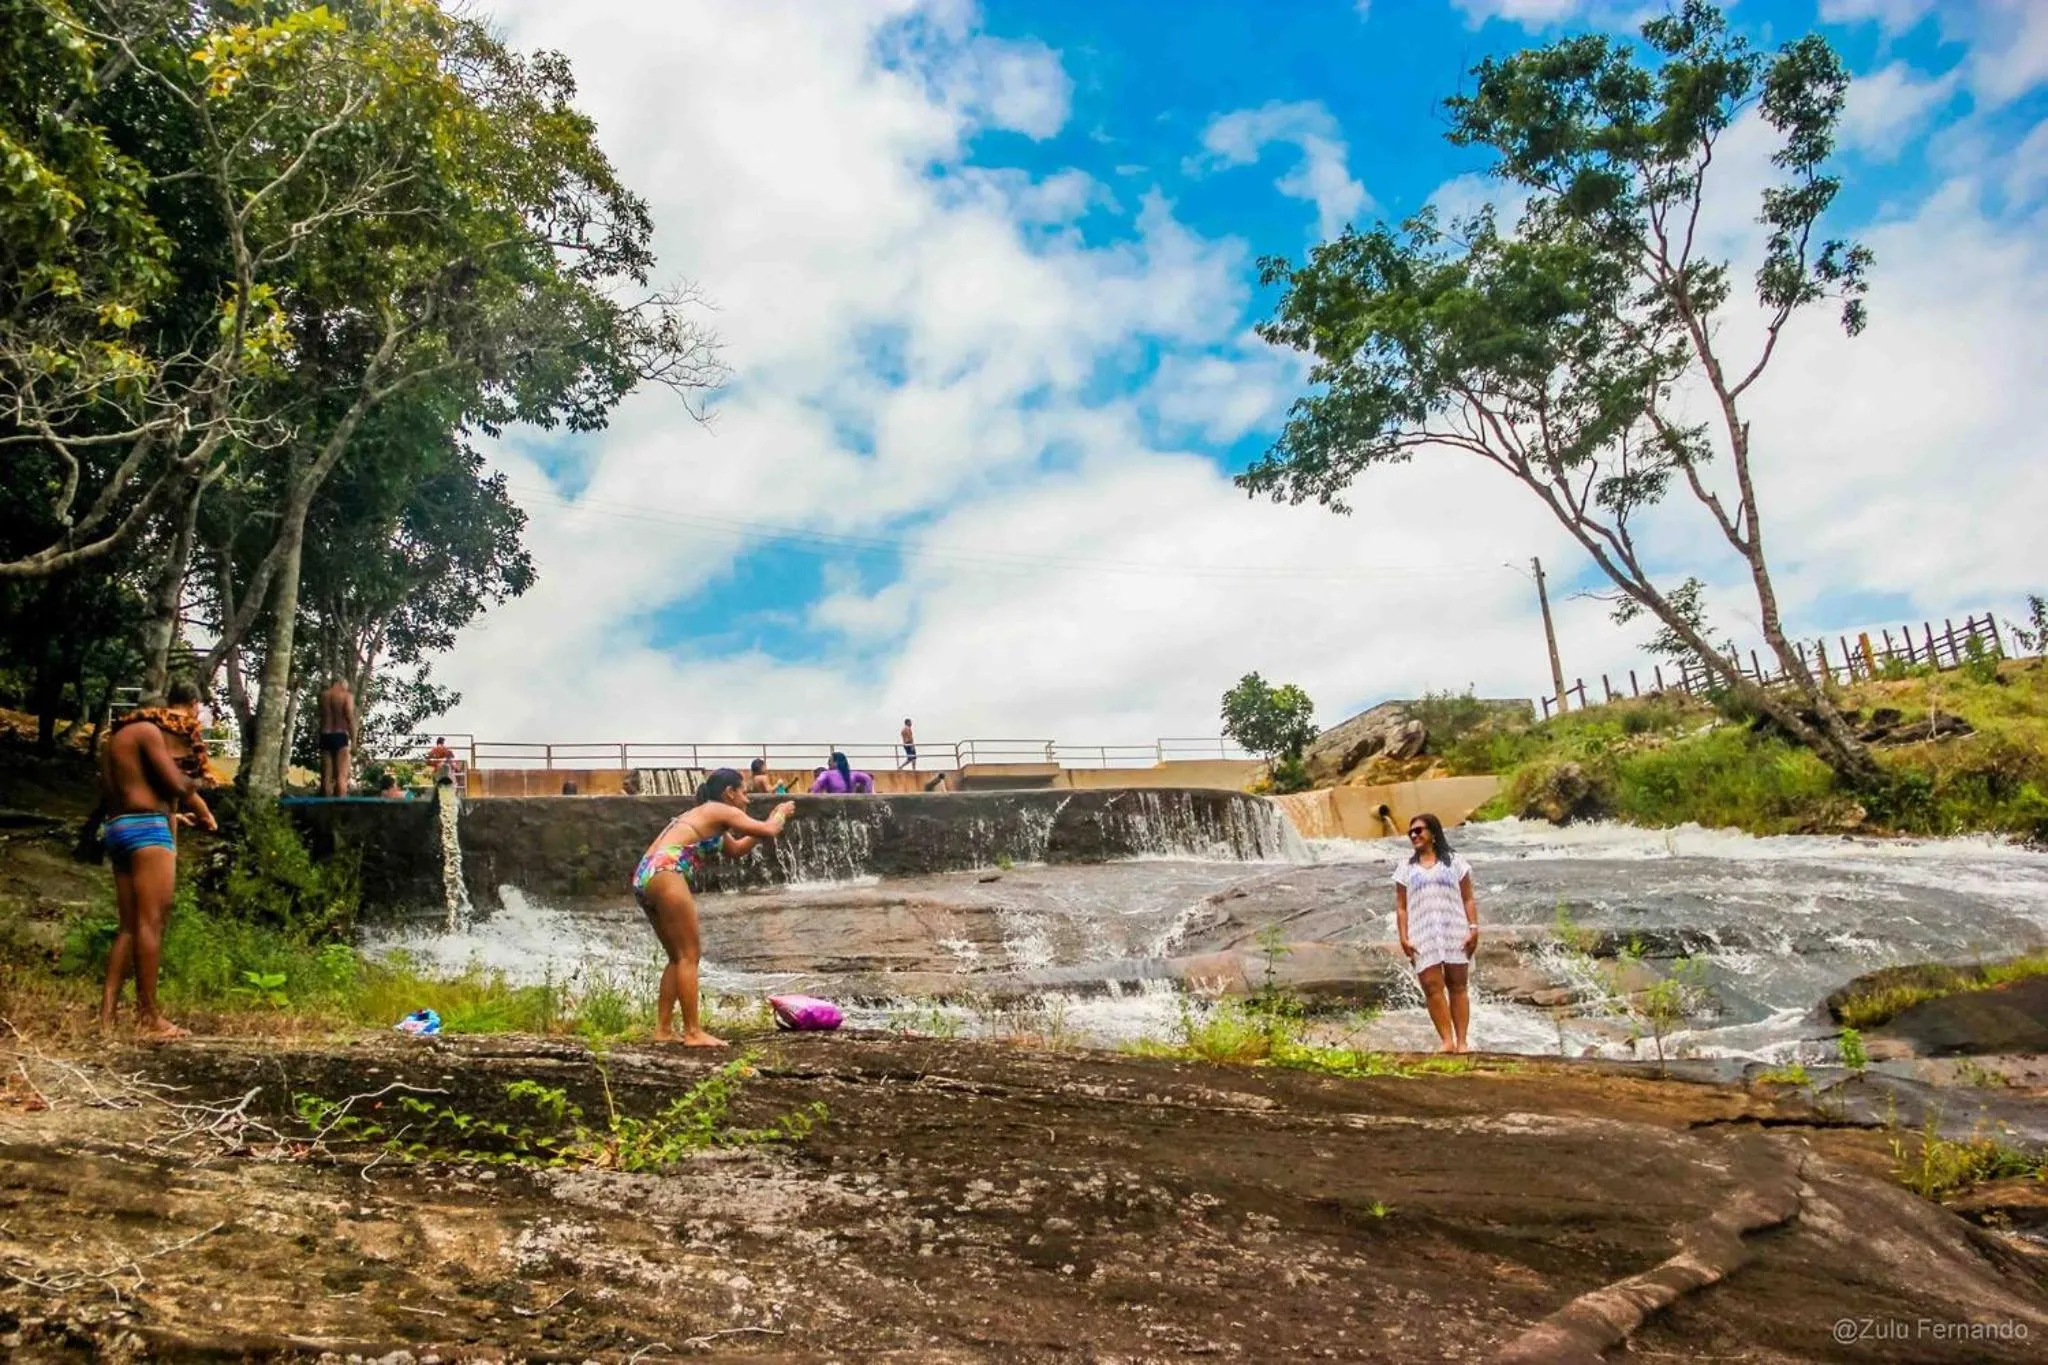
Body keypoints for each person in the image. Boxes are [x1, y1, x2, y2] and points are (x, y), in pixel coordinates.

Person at [632, 770, 796, 1046]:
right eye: (744, 793)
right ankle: (693, 1033)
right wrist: (779, 813)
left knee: (676, 956)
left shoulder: (706, 814)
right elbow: (770, 830)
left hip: (646, 875)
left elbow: (736, 849)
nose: (746, 800)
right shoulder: (720, 809)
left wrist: (761, 828)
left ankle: (662, 1030)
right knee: (689, 955)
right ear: (729, 792)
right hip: (667, 871)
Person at [99, 680, 217, 1039]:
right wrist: (202, 780)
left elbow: (125, 790)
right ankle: (149, 1015)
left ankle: (106, 1015)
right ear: (191, 705)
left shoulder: (114, 739)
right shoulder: (151, 734)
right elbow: (177, 786)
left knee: (129, 928)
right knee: (152, 924)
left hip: (118, 827)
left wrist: (175, 815)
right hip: (148, 832)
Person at [1392, 812, 1479, 1054]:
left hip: (1454, 928)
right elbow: (1401, 907)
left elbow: (1468, 898)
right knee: (1432, 987)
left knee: (1458, 985)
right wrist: (1403, 937)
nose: (1414, 835)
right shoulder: (1405, 868)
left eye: (1418, 830)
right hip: (1422, 933)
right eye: (1411, 832)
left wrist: (1473, 928)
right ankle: (1446, 1041)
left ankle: (1462, 1042)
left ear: (1433, 833)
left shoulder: (1454, 861)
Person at [317, 679, 355, 797]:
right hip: (340, 735)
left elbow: (321, 717)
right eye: (345, 685)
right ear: (340, 683)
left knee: (326, 778)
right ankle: (340, 809)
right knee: (341, 776)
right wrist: (354, 740)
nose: (346, 688)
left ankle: (324, 809)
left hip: (325, 735)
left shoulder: (323, 696)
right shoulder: (346, 696)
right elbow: (349, 714)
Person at [808, 751, 873, 794]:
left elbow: (816, 787)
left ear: (836, 763)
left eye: (830, 761)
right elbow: (867, 778)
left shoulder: (826, 774)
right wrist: (868, 793)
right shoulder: (853, 774)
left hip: (834, 804)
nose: (828, 763)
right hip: (850, 804)